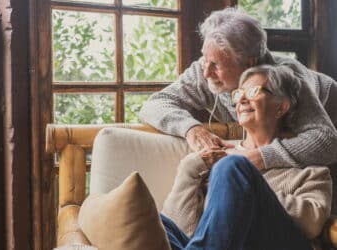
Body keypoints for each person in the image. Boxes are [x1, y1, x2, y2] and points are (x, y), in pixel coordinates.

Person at [139, 8, 337, 170]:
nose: (206, 72)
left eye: (216, 65)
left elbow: (328, 143)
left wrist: (256, 158)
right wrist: (191, 129)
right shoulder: (202, 70)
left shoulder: (285, 78)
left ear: (248, 63)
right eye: (205, 59)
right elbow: (154, 104)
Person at [160, 65, 332, 250]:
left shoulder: (309, 169)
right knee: (149, 217)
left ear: (281, 107)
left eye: (252, 91)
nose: (241, 98)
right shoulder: (212, 159)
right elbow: (180, 230)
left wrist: (246, 189)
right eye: (238, 93)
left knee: (231, 166)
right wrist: (191, 167)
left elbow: (313, 223)